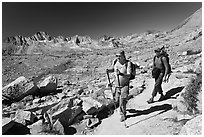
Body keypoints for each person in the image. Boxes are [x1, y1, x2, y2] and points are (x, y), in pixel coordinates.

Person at [106, 50, 132, 122]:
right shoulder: (115, 62)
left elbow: (129, 75)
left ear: (123, 56)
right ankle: (121, 109)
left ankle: (123, 114)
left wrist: (121, 74)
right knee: (117, 100)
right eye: (116, 56)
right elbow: (113, 70)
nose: (118, 57)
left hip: (124, 85)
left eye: (119, 56)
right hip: (117, 86)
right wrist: (108, 70)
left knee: (122, 100)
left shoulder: (128, 63)